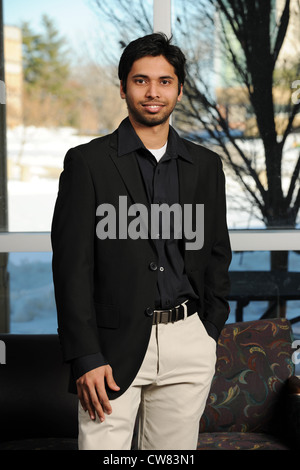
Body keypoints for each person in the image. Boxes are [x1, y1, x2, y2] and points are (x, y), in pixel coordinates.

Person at [51, 32, 231, 451]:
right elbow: (71, 267)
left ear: (180, 90)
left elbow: (216, 252)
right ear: (122, 88)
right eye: (140, 80)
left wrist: (208, 331)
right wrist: (85, 355)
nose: (153, 92)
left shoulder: (206, 166)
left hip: (188, 341)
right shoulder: (88, 163)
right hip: (110, 346)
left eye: (165, 81)